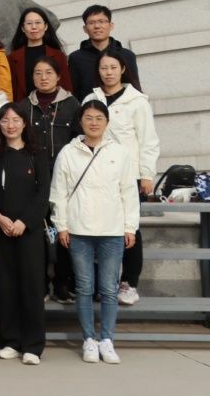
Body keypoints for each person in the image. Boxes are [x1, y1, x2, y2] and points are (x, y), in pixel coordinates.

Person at [50, 100, 139, 365]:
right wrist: (62, 225)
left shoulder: (119, 152)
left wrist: (130, 226)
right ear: (80, 121)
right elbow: (59, 192)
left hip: (112, 229)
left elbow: (128, 192)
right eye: (88, 117)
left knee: (109, 288)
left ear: (107, 122)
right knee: (85, 287)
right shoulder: (68, 152)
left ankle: (107, 339)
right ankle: (89, 338)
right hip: (79, 229)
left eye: (99, 118)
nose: (94, 122)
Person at [84, 50, 159, 306]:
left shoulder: (137, 101)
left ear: (123, 69)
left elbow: (148, 140)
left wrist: (147, 174)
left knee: (129, 228)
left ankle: (129, 282)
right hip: (97, 175)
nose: (108, 72)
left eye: (113, 67)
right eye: (104, 68)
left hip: (129, 176)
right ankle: (101, 283)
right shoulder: (91, 99)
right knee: (97, 228)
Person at [16, 56, 81, 304]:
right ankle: (40, 283)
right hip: (33, 181)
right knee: (37, 235)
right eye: (38, 73)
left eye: (48, 73)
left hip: (64, 180)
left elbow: (79, 142)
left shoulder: (72, 105)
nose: (43, 78)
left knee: (64, 230)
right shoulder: (23, 107)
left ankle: (63, 283)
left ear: (58, 76)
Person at [0, 103, 50, 365]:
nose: (10, 125)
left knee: (31, 287)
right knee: (6, 287)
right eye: (5, 120)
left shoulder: (37, 154)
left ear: (25, 123)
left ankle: (33, 346)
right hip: (1, 229)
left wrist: (25, 222)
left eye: (15, 120)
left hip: (29, 231)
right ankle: (10, 341)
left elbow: (43, 193)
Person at [68, 5, 140, 101]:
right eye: (91, 23)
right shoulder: (76, 58)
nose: (97, 26)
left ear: (111, 26)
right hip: (89, 108)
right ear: (85, 28)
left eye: (101, 21)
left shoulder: (127, 55)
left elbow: (134, 88)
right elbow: (74, 93)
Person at [8, 7, 72, 101]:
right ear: (23, 28)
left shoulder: (58, 55)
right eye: (29, 23)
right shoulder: (13, 58)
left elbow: (66, 88)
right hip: (22, 107)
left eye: (38, 22)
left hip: (54, 108)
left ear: (45, 26)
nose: (34, 27)